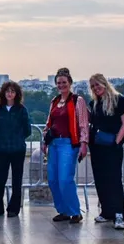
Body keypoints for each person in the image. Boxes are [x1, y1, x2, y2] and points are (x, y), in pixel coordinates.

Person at [43, 67, 89, 224]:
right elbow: (49, 123)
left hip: (69, 143)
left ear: (70, 83)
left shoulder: (78, 101)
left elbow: (83, 124)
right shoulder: (54, 101)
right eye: (58, 83)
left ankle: (75, 211)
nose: (61, 85)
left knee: (65, 179)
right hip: (54, 144)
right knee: (53, 180)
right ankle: (63, 210)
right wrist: (45, 140)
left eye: (64, 82)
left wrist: (84, 144)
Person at [88, 73, 124, 230]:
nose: (96, 88)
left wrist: (117, 141)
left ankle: (119, 214)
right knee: (100, 180)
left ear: (104, 83)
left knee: (114, 181)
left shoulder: (119, 100)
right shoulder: (94, 103)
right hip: (97, 146)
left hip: (112, 147)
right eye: (93, 86)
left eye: (98, 85)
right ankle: (107, 212)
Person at [0, 81, 31, 218]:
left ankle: (13, 209)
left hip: (17, 149)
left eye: (12, 91)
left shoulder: (22, 109)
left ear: (16, 94)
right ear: (3, 93)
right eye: (7, 91)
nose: (10, 93)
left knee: (16, 180)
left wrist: (17, 138)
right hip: (2, 148)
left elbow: (27, 130)